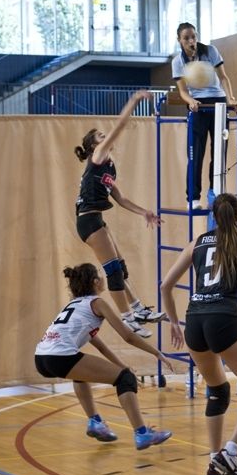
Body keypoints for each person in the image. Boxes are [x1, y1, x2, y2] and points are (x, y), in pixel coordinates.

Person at [160, 193, 237, 475]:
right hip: (223, 321)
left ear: (213, 215)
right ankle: (231, 452)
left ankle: (214, 462)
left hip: (194, 323)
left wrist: (173, 322)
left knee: (218, 392)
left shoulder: (197, 242)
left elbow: (165, 286)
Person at [35, 263, 174, 450]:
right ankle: (142, 433)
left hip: (41, 358)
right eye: (100, 275)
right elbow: (128, 336)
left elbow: (99, 345)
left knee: (83, 373)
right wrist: (156, 352)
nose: (103, 279)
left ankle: (95, 422)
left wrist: (122, 365)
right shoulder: (97, 303)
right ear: (95, 282)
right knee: (126, 380)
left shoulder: (74, 305)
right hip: (60, 356)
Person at [74, 90, 165, 338]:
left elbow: (120, 198)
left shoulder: (109, 167)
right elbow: (120, 125)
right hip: (88, 221)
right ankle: (126, 319)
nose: (105, 137)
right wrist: (134, 101)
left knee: (120, 268)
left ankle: (137, 309)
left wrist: (144, 212)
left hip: (96, 219)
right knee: (112, 270)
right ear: (95, 145)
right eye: (100, 136)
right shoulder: (98, 155)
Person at [171, 22, 237, 210]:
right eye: (186, 38)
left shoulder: (210, 51)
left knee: (219, 153)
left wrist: (230, 98)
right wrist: (190, 101)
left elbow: (224, 77)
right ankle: (193, 199)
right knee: (196, 155)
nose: (191, 40)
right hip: (198, 108)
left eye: (193, 36)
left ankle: (215, 194)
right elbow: (183, 91)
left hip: (218, 104)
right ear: (179, 40)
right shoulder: (178, 61)